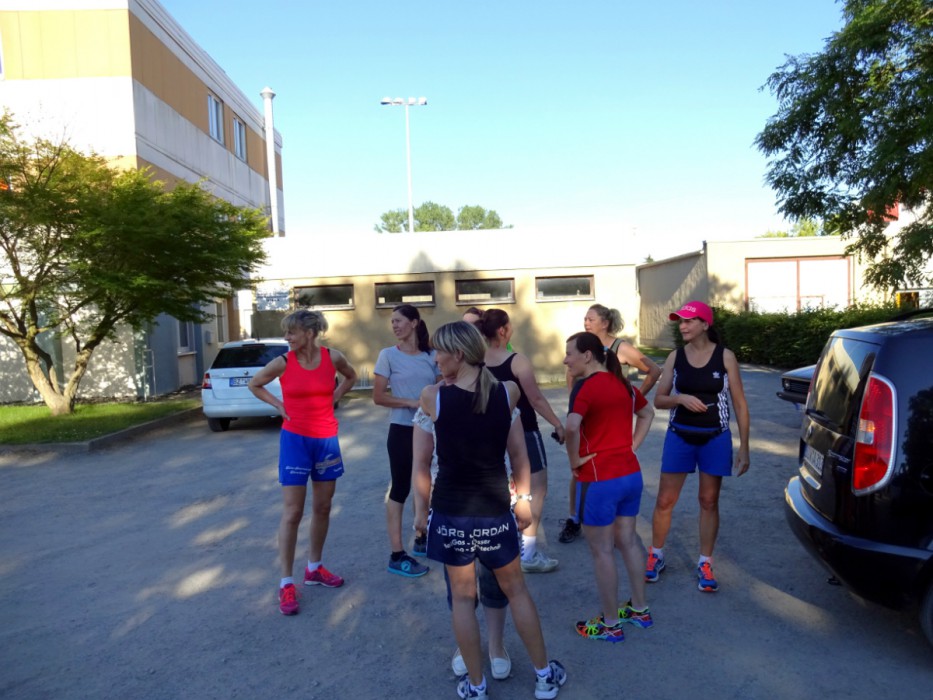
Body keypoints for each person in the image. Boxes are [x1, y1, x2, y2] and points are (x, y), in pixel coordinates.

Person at [414, 321, 566, 700]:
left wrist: (420, 514)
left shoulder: (432, 397)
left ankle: (477, 687)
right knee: (517, 590)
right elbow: (519, 457)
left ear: (458, 355)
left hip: (451, 513)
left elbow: (420, 466)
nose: (435, 359)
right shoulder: (507, 392)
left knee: (463, 599)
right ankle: (545, 676)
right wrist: (524, 503)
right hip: (496, 511)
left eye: (439, 352)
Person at [248, 310, 357, 616]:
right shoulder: (283, 362)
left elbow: (351, 376)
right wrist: (279, 406)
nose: (287, 338)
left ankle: (314, 568)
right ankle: (286, 583)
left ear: (309, 333)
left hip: (325, 439)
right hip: (295, 440)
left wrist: (335, 395)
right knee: (293, 511)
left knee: (322, 506)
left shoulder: (332, 357)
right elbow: (255, 384)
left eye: (291, 332)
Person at [645, 301, 750, 592]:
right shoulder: (674, 357)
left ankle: (705, 561)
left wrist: (744, 447)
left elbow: (740, 404)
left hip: (715, 437)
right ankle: (656, 555)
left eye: (689, 321)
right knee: (665, 500)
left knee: (708, 501)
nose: (683, 326)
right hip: (680, 435)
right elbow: (659, 400)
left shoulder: (725, 357)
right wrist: (680, 399)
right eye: (680, 322)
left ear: (705, 324)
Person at [411, 391, 513, 684]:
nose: (439, 361)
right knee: (459, 588)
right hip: (451, 505)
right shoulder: (433, 400)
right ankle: (465, 644)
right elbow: (420, 461)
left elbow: (517, 452)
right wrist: (421, 509)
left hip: (493, 502)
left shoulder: (497, 395)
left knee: (495, 582)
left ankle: (495, 645)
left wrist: (522, 498)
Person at [563, 332, 655, 642]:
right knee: (628, 542)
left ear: (587, 355)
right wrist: (632, 446)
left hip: (601, 479)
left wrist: (574, 460)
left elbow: (571, 426)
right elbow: (647, 413)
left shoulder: (585, 387)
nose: (566, 360)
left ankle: (610, 624)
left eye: (570, 354)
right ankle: (640, 610)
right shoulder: (623, 384)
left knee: (602, 551)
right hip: (631, 475)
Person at [559, 303, 662, 545]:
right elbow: (571, 379)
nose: (586, 322)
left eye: (591, 319)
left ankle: (609, 527)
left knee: (605, 474)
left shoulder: (619, 347)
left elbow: (654, 369)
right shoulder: (582, 345)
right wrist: (576, 408)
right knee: (579, 473)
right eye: (585, 318)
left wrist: (633, 398)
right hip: (587, 412)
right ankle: (575, 519)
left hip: (608, 414)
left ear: (605, 323)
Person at [475, 308, 565, 574]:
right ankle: (528, 552)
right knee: (535, 491)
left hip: (490, 436)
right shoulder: (517, 361)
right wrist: (558, 424)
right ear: (503, 330)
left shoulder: (476, 360)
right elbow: (535, 399)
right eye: (509, 324)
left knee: (506, 492)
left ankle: (505, 546)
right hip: (524, 431)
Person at [373, 304, 439, 577]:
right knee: (400, 488)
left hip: (428, 430)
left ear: (414, 323)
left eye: (399, 321)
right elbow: (378, 397)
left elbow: (439, 389)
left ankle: (422, 535)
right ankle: (397, 554)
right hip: (401, 429)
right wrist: (412, 402)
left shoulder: (432, 355)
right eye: (392, 322)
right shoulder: (388, 355)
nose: (394, 326)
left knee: (428, 484)